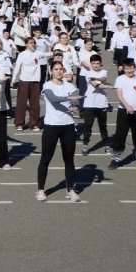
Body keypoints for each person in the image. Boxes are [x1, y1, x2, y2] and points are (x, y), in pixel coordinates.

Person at [36, 62, 82, 202]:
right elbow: (53, 99)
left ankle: (70, 190)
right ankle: (41, 190)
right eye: (55, 69)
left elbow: (77, 102)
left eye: (61, 69)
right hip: (51, 126)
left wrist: (75, 107)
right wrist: (70, 98)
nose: (58, 71)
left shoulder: (70, 86)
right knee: (46, 158)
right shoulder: (47, 86)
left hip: (67, 125)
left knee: (69, 160)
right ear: (51, 71)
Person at [109, 58, 136, 170]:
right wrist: (127, 106)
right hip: (124, 111)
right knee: (120, 136)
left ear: (135, 68)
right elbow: (119, 96)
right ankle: (115, 159)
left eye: (131, 68)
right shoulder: (120, 79)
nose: (129, 70)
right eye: (127, 68)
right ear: (123, 69)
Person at [79, 54, 110, 155]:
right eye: (93, 63)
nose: (96, 65)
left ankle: (106, 144)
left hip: (102, 103)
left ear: (100, 63)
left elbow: (103, 79)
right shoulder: (88, 73)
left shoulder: (104, 71)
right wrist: (111, 86)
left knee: (103, 125)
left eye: (97, 63)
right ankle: (85, 145)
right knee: (88, 125)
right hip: (89, 103)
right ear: (90, 64)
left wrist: (100, 80)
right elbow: (96, 85)